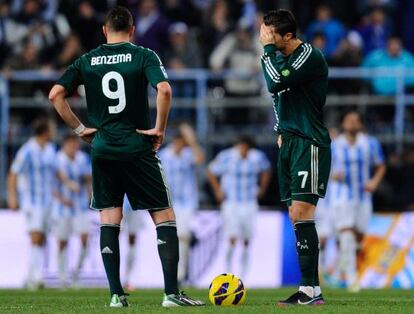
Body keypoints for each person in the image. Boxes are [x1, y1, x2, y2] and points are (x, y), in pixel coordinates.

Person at [48, 6, 203, 308]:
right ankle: (171, 293)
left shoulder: (87, 60)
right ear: (132, 30)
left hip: (103, 147)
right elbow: (165, 90)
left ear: (105, 31)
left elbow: (55, 94)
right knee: (164, 216)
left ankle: (116, 295)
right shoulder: (144, 55)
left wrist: (80, 129)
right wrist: (159, 129)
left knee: (109, 218)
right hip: (137, 145)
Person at [260, 9, 331, 306]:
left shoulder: (308, 56)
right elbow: (282, 98)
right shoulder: (284, 58)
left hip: (308, 143)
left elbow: (276, 82)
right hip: (289, 141)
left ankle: (311, 290)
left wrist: (265, 51)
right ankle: (310, 290)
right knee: (294, 215)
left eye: (269, 33)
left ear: (287, 36)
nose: (264, 37)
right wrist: (280, 128)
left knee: (302, 212)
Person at [330, 111, 386, 292]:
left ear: (360, 124)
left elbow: (381, 165)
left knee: (359, 236)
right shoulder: (335, 145)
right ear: (343, 124)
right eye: (348, 120)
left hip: (363, 197)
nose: (352, 123)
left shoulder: (370, 143)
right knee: (346, 233)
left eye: (355, 120)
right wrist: (332, 175)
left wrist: (375, 182)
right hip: (341, 195)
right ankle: (352, 278)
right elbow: (321, 166)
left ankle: (341, 265)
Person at [206, 136, 271, 278]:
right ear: (238, 146)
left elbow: (267, 170)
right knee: (232, 236)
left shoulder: (257, 157)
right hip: (231, 202)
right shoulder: (226, 156)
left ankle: (244, 275)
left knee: (247, 239)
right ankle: (229, 273)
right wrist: (218, 190)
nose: (244, 151)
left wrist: (262, 189)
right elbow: (211, 171)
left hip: (249, 202)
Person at [7, 118, 56, 290]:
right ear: (44, 131)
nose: (54, 131)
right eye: (51, 128)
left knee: (42, 238)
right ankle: (36, 277)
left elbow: (54, 174)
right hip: (32, 201)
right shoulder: (27, 150)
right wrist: (13, 197)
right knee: (35, 237)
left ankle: (30, 276)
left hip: (48, 202)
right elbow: (13, 174)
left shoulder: (50, 149)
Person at [158, 123, 205, 284]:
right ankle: (176, 273)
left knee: (182, 236)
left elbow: (200, 158)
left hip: (187, 202)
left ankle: (180, 275)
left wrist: (192, 140)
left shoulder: (188, 154)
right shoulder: (164, 155)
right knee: (173, 239)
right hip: (169, 202)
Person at [52, 134, 91, 287]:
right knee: (62, 241)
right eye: (70, 144)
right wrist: (62, 199)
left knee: (84, 239)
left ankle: (76, 274)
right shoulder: (57, 160)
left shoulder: (83, 159)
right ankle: (62, 277)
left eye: (75, 144)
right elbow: (52, 186)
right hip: (62, 208)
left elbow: (88, 179)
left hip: (80, 207)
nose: (74, 147)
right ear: (65, 145)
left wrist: (89, 189)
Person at [121, 196, 145, 291]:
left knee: (132, 240)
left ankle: (128, 278)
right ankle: (114, 279)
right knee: (113, 235)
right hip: (117, 202)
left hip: (135, 204)